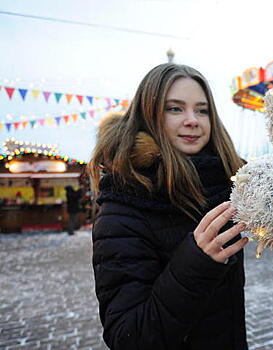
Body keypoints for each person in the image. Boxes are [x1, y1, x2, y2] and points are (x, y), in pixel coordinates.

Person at [88, 63, 249, 350]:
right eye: (175, 109)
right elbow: (128, 337)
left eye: (202, 110)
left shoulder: (224, 185)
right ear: (148, 115)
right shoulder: (123, 207)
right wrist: (198, 262)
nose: (192, 120)